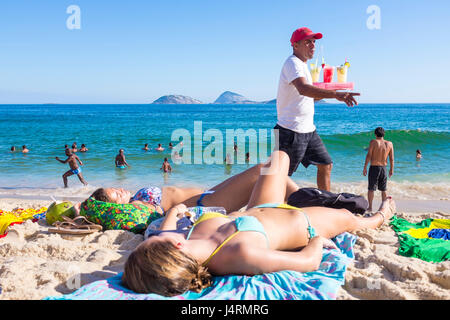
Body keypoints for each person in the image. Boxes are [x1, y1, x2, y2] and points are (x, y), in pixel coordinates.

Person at [121, 150, 396, 296]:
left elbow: (166, 231)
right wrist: (317, 240)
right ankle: (383, 214)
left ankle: (301, 195)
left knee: (280, 158)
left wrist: (176, 210)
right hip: (302, 223)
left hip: (259, 209)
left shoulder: (186, 242)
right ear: (176, 245)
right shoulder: (240, 256)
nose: (150, 235)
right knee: (352, 220)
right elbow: (308, 262)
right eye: (153, 239)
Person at [274, 27, 360, 191]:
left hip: (308, 130)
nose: (312, 45)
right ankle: (267, 205)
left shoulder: (304, 66)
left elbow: (309, 95)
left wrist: (336, 93)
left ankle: (325, 203)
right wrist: (335, 94)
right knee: (278, 176)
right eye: (308, 42)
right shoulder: (292, 63)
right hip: (290, 130)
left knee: (326, 164)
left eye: (314, 42)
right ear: (295, 45)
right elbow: (303, 89)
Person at [363, 127, 394, 212]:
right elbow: (391, 158)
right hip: (384, 168)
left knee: (371, 189)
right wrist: (391, 169)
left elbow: (369, 155)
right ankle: (383, 208)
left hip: (374, 168)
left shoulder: (373, 142)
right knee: (383, 189)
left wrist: (365, 167)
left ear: (375, 134)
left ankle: (370, 207)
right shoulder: (390, 144)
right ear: (384, 134)